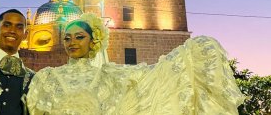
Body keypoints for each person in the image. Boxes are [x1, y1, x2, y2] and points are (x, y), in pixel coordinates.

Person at [27, 13, 245, 114]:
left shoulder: (109, 74)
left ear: (93, 41)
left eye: (79, 37)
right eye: (67, 38)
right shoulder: (47, 77)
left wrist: (193, 54)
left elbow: (153, 77)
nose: (71, 42)